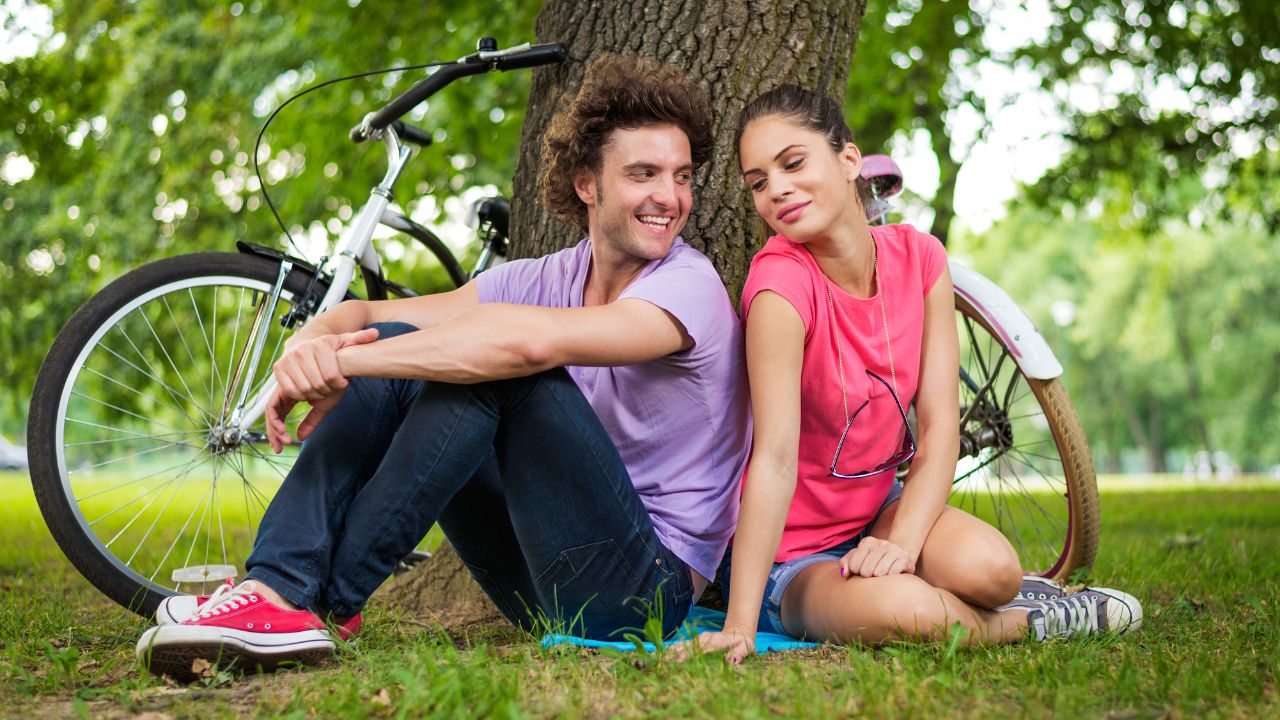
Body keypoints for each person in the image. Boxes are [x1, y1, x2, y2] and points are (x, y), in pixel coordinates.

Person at [135, 56, 750, 680]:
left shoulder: (690, 287)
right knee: (415, 344)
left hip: (645, 595)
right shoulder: (544, 277)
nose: (669, 198)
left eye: (681, 176)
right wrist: (309, 348)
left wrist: (353, 362)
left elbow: (525, 349)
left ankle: (308, 603)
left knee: (496, 368)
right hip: (539, 581)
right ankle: (279, 589)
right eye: (643, 174)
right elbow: (370, 311)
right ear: (587, 184)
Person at [680, 85, 1141, 663]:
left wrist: (899, 543)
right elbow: (772, 460)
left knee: (995, 570)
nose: (777, 189)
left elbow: (940, 427)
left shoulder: (921, 259)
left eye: (793, 163)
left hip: (880, 510)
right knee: (923, 615)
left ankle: (1002, 598)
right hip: (792, 555)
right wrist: (740, 625)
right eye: (757, 182)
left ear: (849, 161)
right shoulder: (779, 287)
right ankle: (1035, 619)